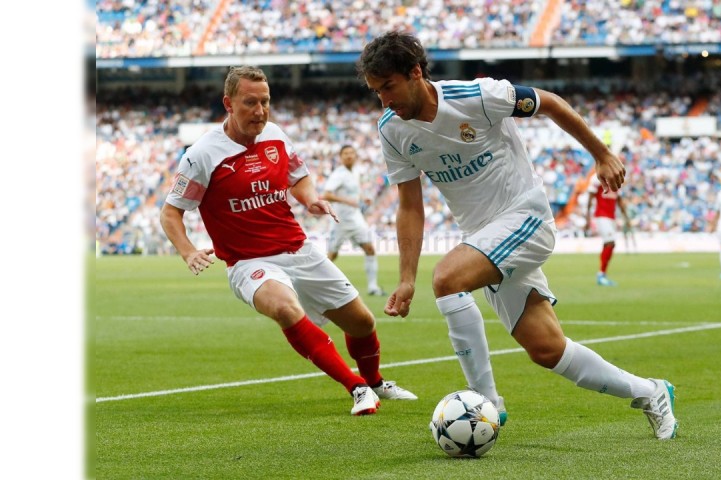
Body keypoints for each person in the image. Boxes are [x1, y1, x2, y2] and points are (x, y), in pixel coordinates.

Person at [357, 31, 678, 439]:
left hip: (525, 217)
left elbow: (551, 103)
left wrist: (602, 153)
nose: (384, 100)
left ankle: (484, 403)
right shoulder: (393, 130)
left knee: (447, 279)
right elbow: (409, 206)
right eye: (375, 91)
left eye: (389, 87)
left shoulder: (478, 96)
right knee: (547, 349)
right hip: (485, 238)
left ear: (415, 72)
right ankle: (651, 392)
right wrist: (405, 278)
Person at [159, 65, 416, 416]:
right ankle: (355, 387)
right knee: (284, 308)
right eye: (250, 102)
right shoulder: (202, 155)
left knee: (363, 323)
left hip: (298, 248)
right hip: (250, 263)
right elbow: (170, 212)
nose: (260, 111)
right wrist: (188, 251)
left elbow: (299, 176)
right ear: (228, 104)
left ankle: (373, 382)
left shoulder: (276, 136)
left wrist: (310, 199)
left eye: (265, 102)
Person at [321, 145, 387, 296]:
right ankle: (320, 285)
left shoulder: (356, 171)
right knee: (332, 255)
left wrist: (363, 198)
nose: (349, 156)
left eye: (351, 153)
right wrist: (347, 201)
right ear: (341, 157)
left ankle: (372, 287)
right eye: (345, 153)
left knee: (370, 249)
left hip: (356, 218)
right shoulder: (338, 174)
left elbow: (355, 191)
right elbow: (326, 194)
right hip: (340, 220)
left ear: (356, 155)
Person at [584, 173, 631, 286]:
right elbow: (590, 197)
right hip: (601, 216)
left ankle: (602, 275)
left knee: (609, 244)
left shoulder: (615, 180)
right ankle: (601, 274)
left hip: (611, 217)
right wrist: (587, 218)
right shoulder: (597, 178)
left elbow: (619, 201)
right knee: (610, 243)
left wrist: (626, 218)